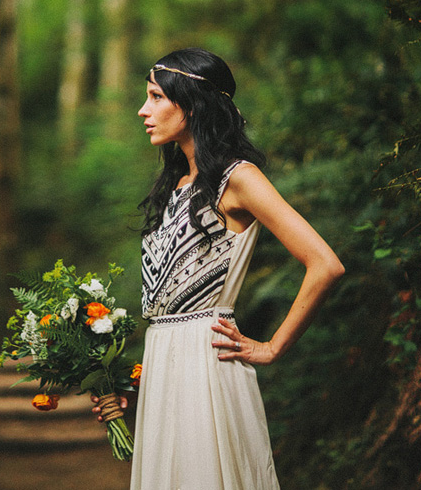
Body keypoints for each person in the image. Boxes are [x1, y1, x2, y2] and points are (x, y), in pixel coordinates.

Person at [93, 47, 345, 489]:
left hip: (209, 365)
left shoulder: (239, 178)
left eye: (155, 97)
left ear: (190, 104)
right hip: (164, 364)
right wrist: (129, 387)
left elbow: (324, 263)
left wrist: (271, 347)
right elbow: (172, 303)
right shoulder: (176, 185)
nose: (142, 109)